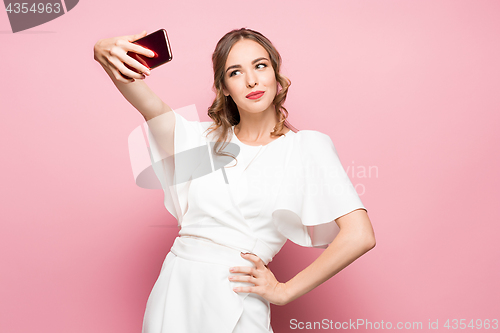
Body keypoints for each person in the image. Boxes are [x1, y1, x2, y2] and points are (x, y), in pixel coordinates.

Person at [94, 27, 376, 333]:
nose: (251, 80)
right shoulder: (202, 141)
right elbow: (148, 104)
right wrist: (103, 52)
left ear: (278, 77)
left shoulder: (306, 146)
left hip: (238, 299)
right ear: (224, 87)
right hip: (176, 292)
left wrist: (284, 292)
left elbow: (360, 235)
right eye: (235, 72)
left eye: (260, 66)